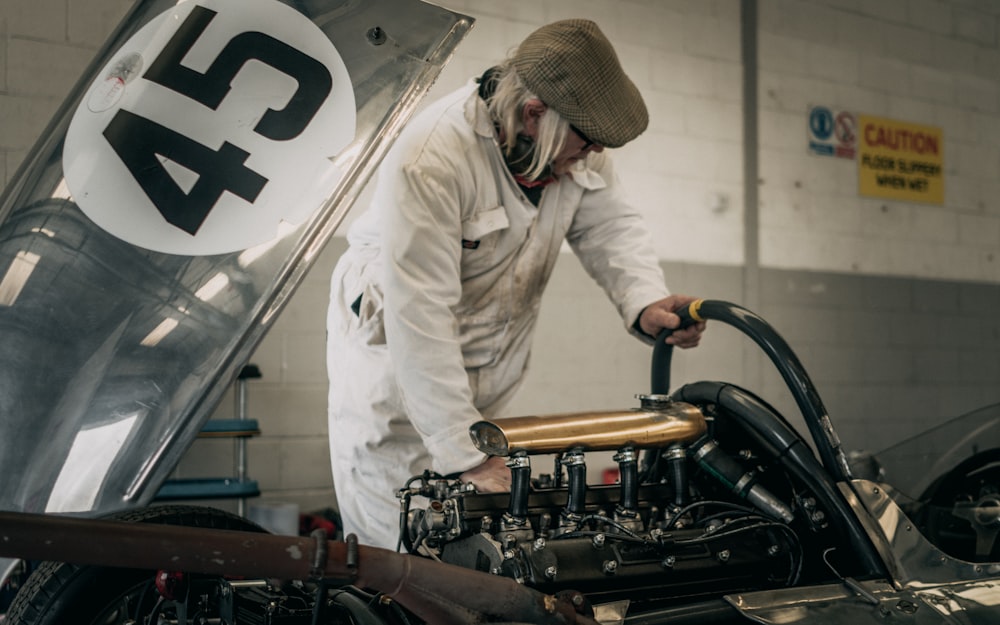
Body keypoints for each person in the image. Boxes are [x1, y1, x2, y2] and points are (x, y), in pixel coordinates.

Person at [326, 18, 706, 549]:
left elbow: (610, 226)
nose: (595, 154)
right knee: (394, 552)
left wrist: (644, 300)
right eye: (589, 142)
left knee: (478, 553)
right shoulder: (432, 159)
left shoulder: (567, 145)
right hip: (397, 381)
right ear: (534, 115)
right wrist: (468, 454)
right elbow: (421, 313)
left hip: (483, 383)